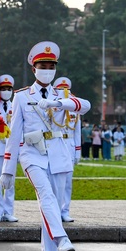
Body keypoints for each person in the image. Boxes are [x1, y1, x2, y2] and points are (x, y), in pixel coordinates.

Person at [0, 41, 91, 251]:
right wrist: (8, 169)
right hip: (32, 155)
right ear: (34, 69)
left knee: (49, 212)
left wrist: (57, 104)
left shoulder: (61, 95)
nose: (47, 70)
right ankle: (62, 237)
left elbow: (85, 105)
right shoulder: (21, 96)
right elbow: (14, 132)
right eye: (43, 66)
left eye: (51, 66)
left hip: (59, 156)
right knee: (47, 196)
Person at [0, 74, 18, 222]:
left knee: (10, 182)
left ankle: (8, 211)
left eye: (9, 88)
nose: (6, 91)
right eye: (3, 89)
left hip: (12, 149)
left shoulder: (16, 105)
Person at [54, 76, 81, 223]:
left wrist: (78, 151)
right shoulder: (53, 104)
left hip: (69, 144)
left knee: (67, 182)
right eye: (61, 89)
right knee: (55, 181)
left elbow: (77, 130)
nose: (64, 92)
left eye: (67, 89)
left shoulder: (74, 105)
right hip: (56, 142)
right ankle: (55, 211)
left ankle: (65, 210)